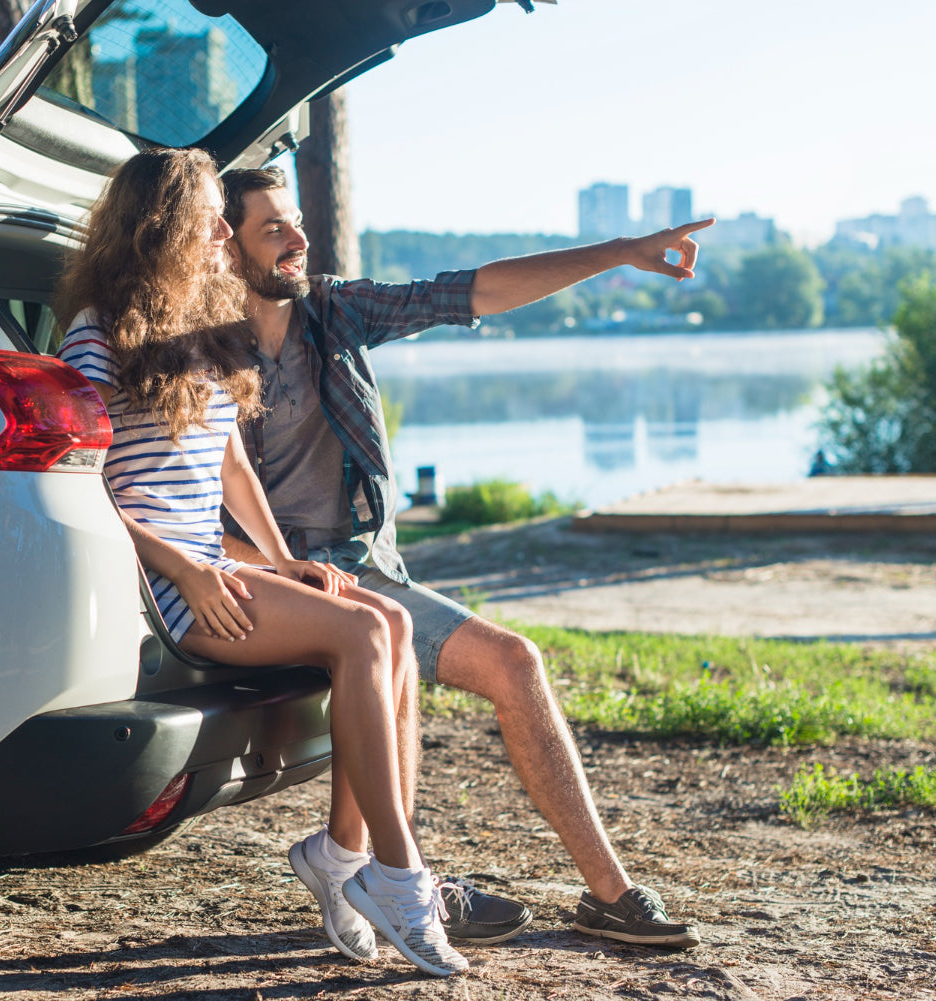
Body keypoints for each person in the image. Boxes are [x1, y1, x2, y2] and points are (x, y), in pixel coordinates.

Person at [218, 164, 709, 950]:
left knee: (515, 661)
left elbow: (470, 291)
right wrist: (281, 566)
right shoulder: (199, 353)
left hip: (363, 569)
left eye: (297, 221)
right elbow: (186, 507)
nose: (297, 239)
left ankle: (610, 895)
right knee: (386, 642)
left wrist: (619, 251)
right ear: (226, 243)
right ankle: (404, 880)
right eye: (273, 228)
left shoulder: (334, 312)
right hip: (266, 581)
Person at [55, 148, 468, 977]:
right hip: (167, 590)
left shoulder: (203, 321)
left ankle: (344, 858)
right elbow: (80, 488)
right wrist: (189, 571)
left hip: (219, 571)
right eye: (209, 215)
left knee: (384, 620)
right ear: (161, 223)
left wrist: (280, 560)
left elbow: (227, 466)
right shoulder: (97, 333)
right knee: (363, 636)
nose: (220, 230)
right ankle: (397, 874)